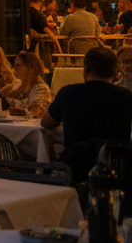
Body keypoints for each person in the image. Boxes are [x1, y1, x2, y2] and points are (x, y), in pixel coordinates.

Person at [42, 46, 132, 182]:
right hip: (116, 172)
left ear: (85, 70)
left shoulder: (67, 93)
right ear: (115, 72)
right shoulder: (126, 97)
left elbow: (46, 123)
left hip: (77, 171)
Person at [2, 50, 52, 118]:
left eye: (18, 65)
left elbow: (36, 112)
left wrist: (9, 112)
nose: (14, 69)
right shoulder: (16, 85)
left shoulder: (41, 89)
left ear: (32, 67)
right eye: (14, 65)